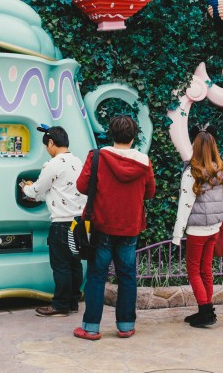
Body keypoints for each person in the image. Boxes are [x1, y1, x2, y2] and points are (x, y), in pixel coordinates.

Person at [73, 115, 155, 340]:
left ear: (111, 133)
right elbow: (149, 192)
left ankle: (90, 328)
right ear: (133, 136)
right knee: (127, 276)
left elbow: (81, 186)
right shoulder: (144, 161)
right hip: (130, 228)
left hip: (102, 226)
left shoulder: (98, 157)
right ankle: (126, 325)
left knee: (97, 276)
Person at [21, 125, 86, 317]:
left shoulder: (53, 164)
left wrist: (26, 187)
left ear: (51, 143)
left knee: (61, 265)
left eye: (46, 146)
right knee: (74, 264)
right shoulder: (77, 161)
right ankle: (73, 302)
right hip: (78, 223)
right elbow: (57, 191)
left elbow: (38, 190)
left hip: (61, 224)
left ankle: (60, 305)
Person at [171, 125, 223, 328]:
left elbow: (185, 205)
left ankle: (205, 311)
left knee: (194, 271)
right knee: (206, 269)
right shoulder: (219, 169)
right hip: (214, 228)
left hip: (197, 230)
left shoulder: (192, 172)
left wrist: (177, 235)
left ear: (195, 147)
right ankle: (206, 309)